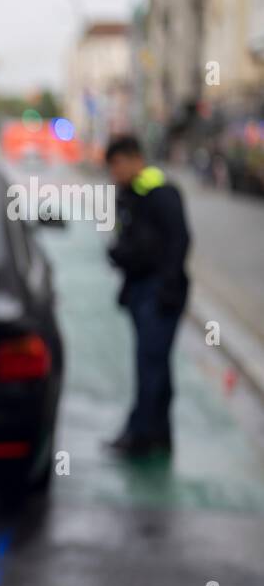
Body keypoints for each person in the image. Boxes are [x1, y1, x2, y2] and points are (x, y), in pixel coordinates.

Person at [103, 135, 191, 459]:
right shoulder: (130, 193)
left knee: (149, 364)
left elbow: (178, 241)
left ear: (133, 159)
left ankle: (140, 434)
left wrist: (167, 288)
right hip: (142, 288)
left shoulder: (160, 191)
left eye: (116, 165)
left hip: (158, 292)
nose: (114, 173)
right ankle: (159, 433)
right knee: (156, 365)